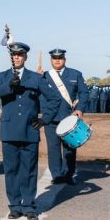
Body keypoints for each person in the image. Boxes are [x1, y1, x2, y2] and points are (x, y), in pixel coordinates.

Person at [0, 43, 60, 220]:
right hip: (9, 130)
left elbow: (54, 98)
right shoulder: (2, 76)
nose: (16, 57)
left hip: (29, 130)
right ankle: (14, 205)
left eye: (20, 54)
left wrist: (45, 119)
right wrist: (9, 86)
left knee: (29, 170)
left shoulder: (35, 77)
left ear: (26, 57)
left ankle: (29, 205)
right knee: (11, 170)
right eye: (14, 55)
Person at [40, 49, 89, 185]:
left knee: (70, 148)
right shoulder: (43, 75)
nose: (57, 60)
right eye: (54, 58)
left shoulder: (75, 74)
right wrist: (36, 77)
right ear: (51, 60)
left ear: (64, 60)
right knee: (53, 148)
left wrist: (79, 109)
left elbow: (84, 93)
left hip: (69, 118)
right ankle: (57, 175)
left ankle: (68, 174)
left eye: (60, 58)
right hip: (51, 118)